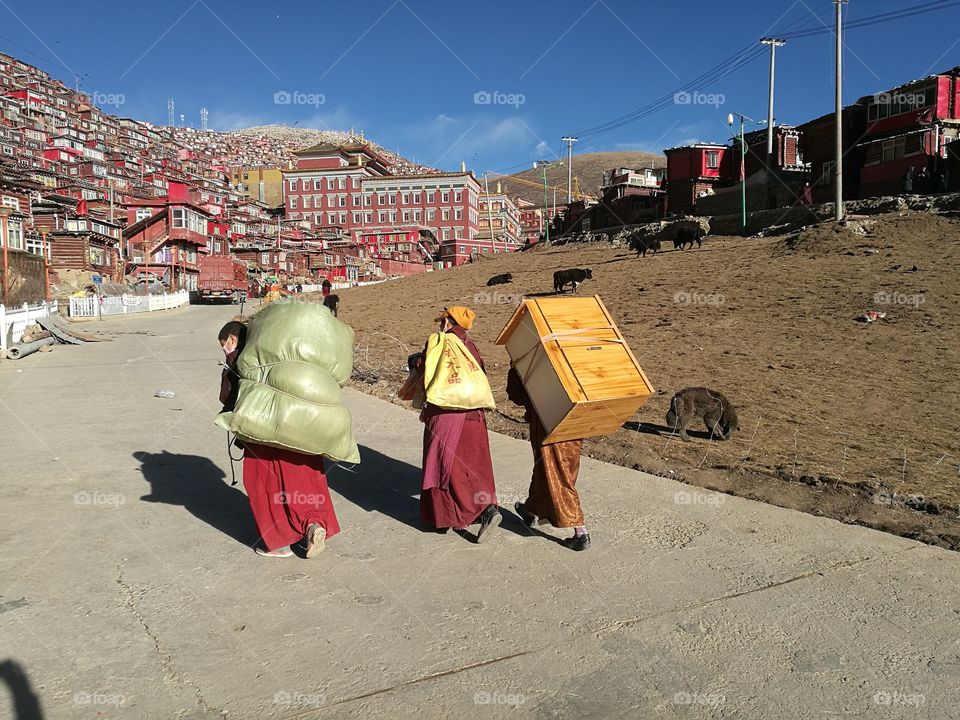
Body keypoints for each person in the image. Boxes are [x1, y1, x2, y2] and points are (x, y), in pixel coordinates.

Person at [217, 321, 340, 558]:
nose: (224, 350)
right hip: (301, 429)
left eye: (224, 345)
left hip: (263, 436)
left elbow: (226, 397)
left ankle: (278, 542)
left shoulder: (241, 360)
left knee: (265, 485)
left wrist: (230, 360)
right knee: (303, 481)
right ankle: (313, 524)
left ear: (232, 340)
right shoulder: (283, 357)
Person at [416, 306, 501, 541]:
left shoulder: (439, 343)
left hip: (446, 416)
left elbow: (426, 374)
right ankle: (487, 507)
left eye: (442, 320)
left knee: (444, 467)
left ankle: (449, 517)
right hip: (475, 416)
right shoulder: (471, 347)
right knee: (476, 466)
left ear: (447, 322)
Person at [507, 365, 591, 551]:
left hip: (548, 425)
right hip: (575, 424)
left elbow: (517, 396)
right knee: (549, 469)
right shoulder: (573, 359)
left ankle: (580, 531)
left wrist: (515, 368)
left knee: (558, 474)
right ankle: (532, 509)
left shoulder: (536, 362)